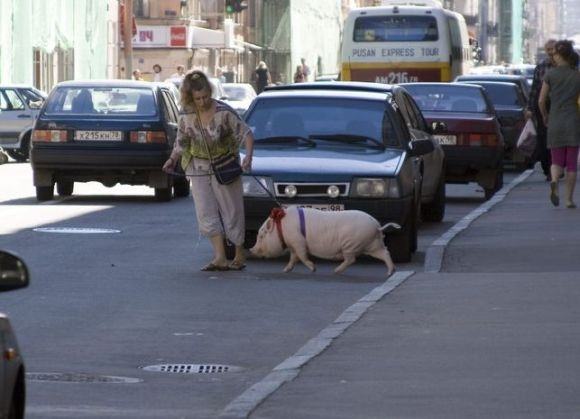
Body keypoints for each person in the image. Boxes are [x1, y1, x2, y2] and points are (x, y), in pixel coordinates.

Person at [162, 71, 254, 271]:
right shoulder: (186, 114)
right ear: (189, 96)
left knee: (232, 210)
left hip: (224, 166)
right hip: (198, 167)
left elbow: (246, 133)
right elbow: (181, 141)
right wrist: (172, 160)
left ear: (210, 92)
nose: (202, 102)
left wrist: (248, 156)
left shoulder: (224, 111)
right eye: (197, 98)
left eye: (205, 97)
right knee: (205, 211)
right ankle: (220, 256)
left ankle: (239, 254)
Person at [538, 40, 580, 209]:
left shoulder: (550, 75)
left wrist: (545, 116)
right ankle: (569, 199)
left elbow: (541, 100)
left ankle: (554, 180)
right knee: (571, 163)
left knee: (556, 160)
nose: (551, 56)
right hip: (573, 121)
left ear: (558, 55)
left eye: (553, 53)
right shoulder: (577, 75)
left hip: (555, 119)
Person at [525, 39, 556, 180]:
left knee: (556, 138)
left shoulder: (564, 67)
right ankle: (547, 168)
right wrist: (530, 108)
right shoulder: (541, 67)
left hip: (558, 107)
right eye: (548, 49)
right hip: (542, 106)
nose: (551, 52)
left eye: (553, 49)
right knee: (543, 138)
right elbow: (534, 90)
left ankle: (556, 166)